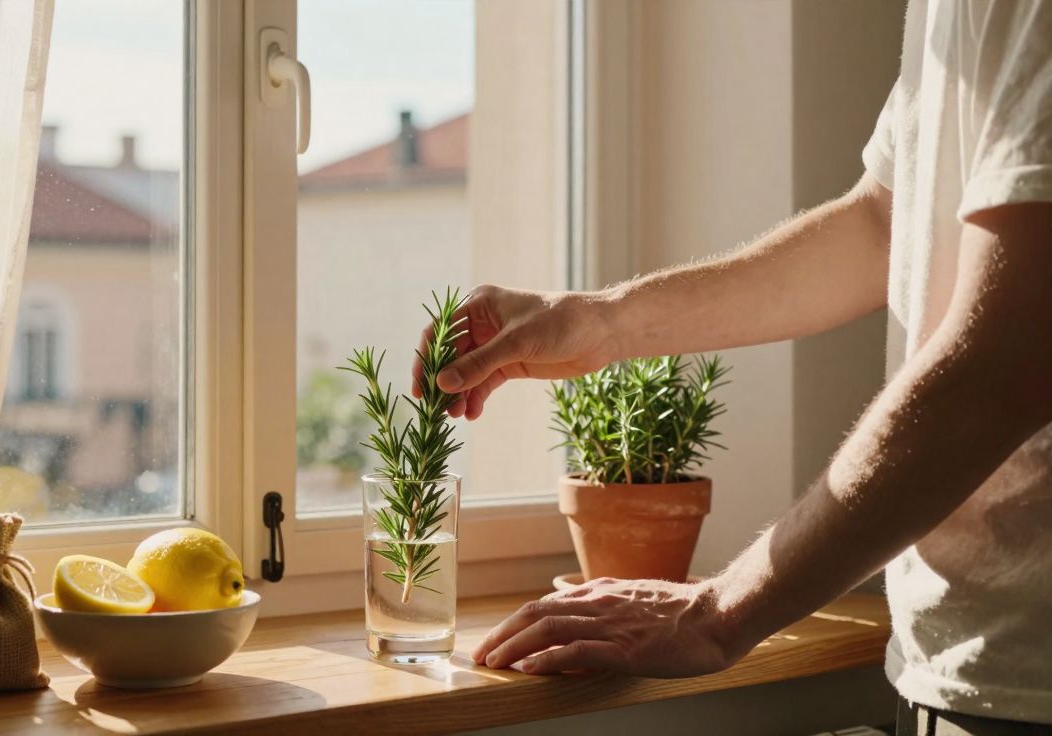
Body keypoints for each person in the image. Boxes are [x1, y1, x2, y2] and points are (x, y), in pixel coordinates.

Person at [415, 2, 1052, 733]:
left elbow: (1009, 353)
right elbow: (884, 225)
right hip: (959, 666)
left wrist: (718, 611)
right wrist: (602, 319)